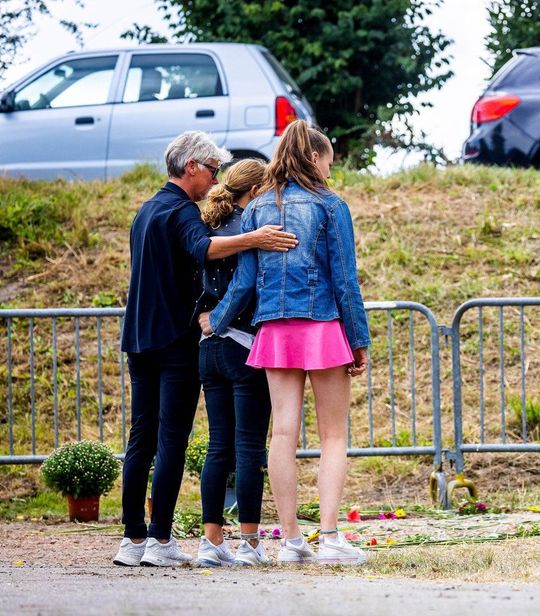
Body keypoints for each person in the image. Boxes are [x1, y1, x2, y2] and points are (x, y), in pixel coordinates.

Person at [114, 131, 298, 568]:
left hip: (138, 338)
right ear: (192, 166)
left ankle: (131, 538)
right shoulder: (182, 212)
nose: (215, 179)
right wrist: (255, 238)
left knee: (141, 440)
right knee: (172, 440)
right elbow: (205, 249)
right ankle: (160, 542)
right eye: (213, 169)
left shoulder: (146, 211)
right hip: (176, 342)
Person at [200, 120, 370, 565]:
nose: (332, 168)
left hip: (274, 329)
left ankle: (290, 541)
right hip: (322, 325)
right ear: (314, 157)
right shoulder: (331, 206)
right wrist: (359, 339)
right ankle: (330, 537)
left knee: (282, 433)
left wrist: (214, 320)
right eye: (329, 159)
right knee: (334, 436)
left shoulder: (257, 210)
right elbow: (345, 280)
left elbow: (245, 281)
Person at [193, 159, 274, 567]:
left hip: (208, 350)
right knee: (248, 449)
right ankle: (249, 544)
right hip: (242, 346)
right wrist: (223, 321)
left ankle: (211, 543)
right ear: (256, 190)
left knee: (218, 448)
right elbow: (243, 285)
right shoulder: (249, 229)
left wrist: (206, 324)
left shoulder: (209, 228)